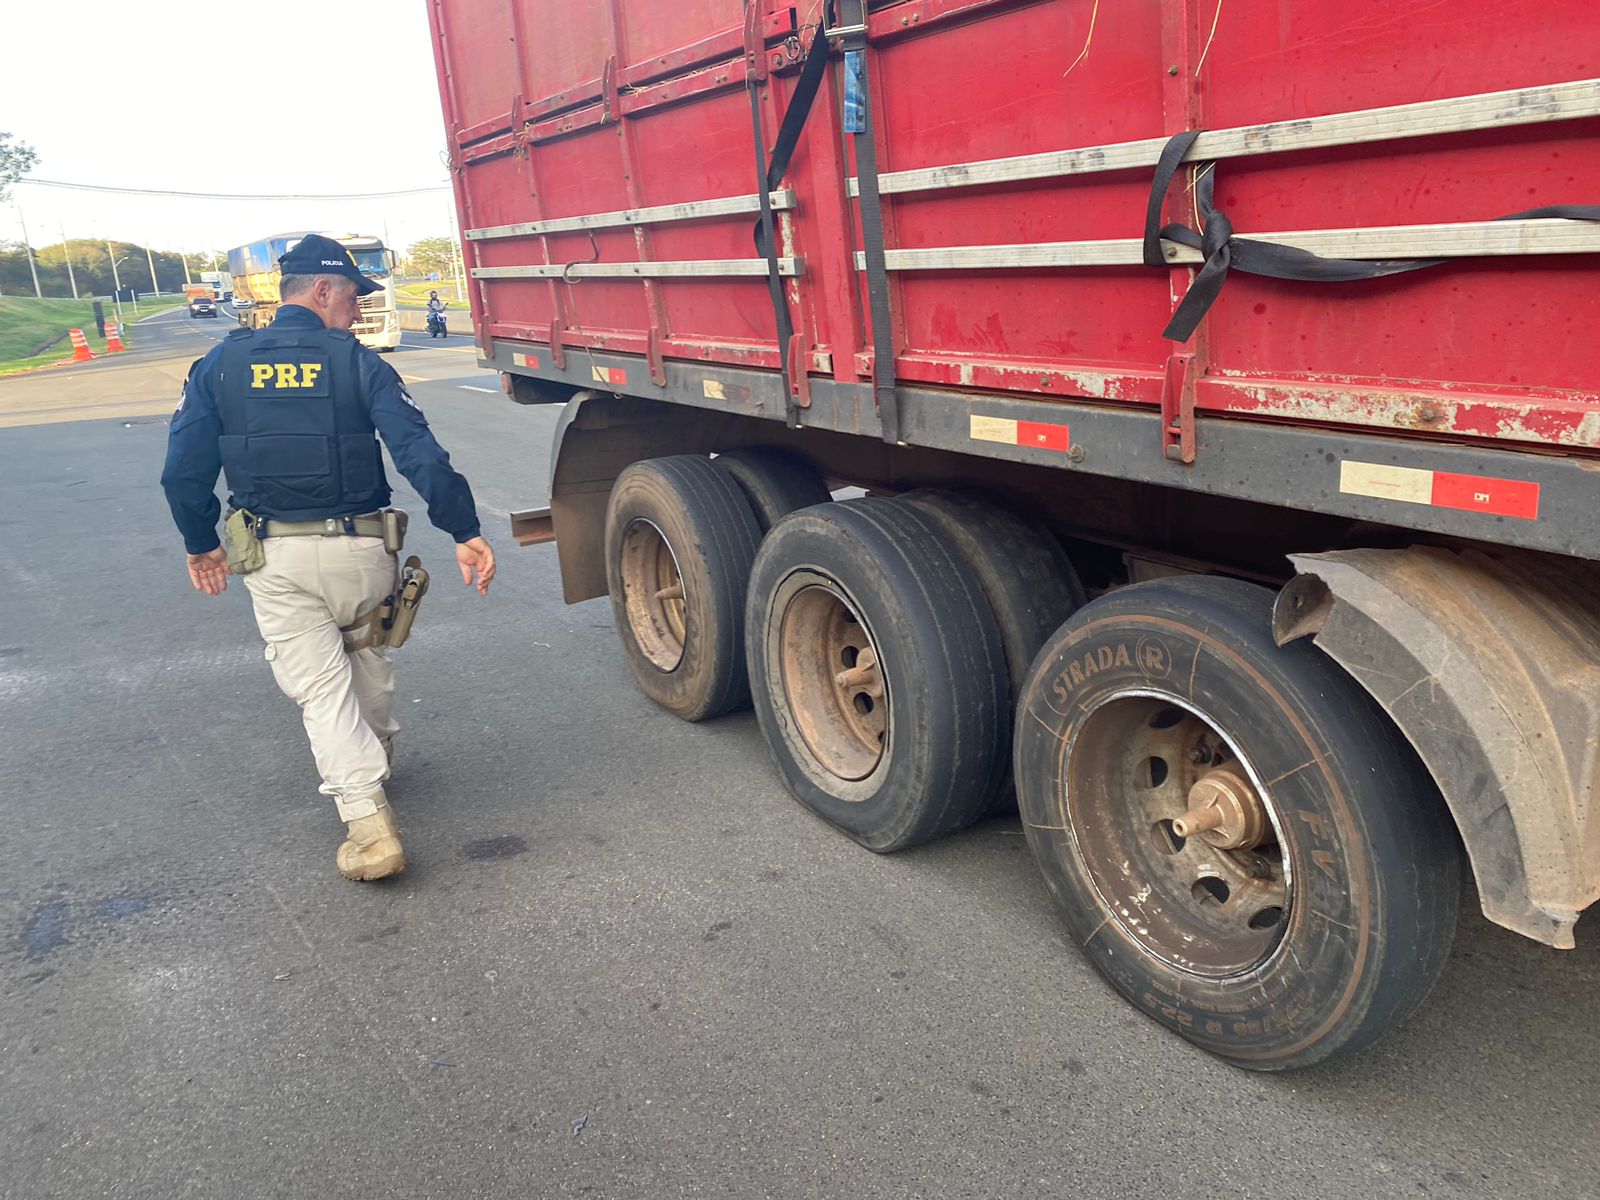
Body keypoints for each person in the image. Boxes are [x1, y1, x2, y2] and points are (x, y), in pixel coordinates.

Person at [160, 233, 496, 882]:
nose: (357, 309)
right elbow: (421, 455)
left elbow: (183, 473)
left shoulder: (220, 367)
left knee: (319, 686)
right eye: (350, 296)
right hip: (363, 550)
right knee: (364, 649)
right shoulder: (358, 363)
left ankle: (370, 826)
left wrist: (201, 543)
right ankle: (376, 756)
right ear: (320, 290)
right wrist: (465, 530)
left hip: (274, 558)